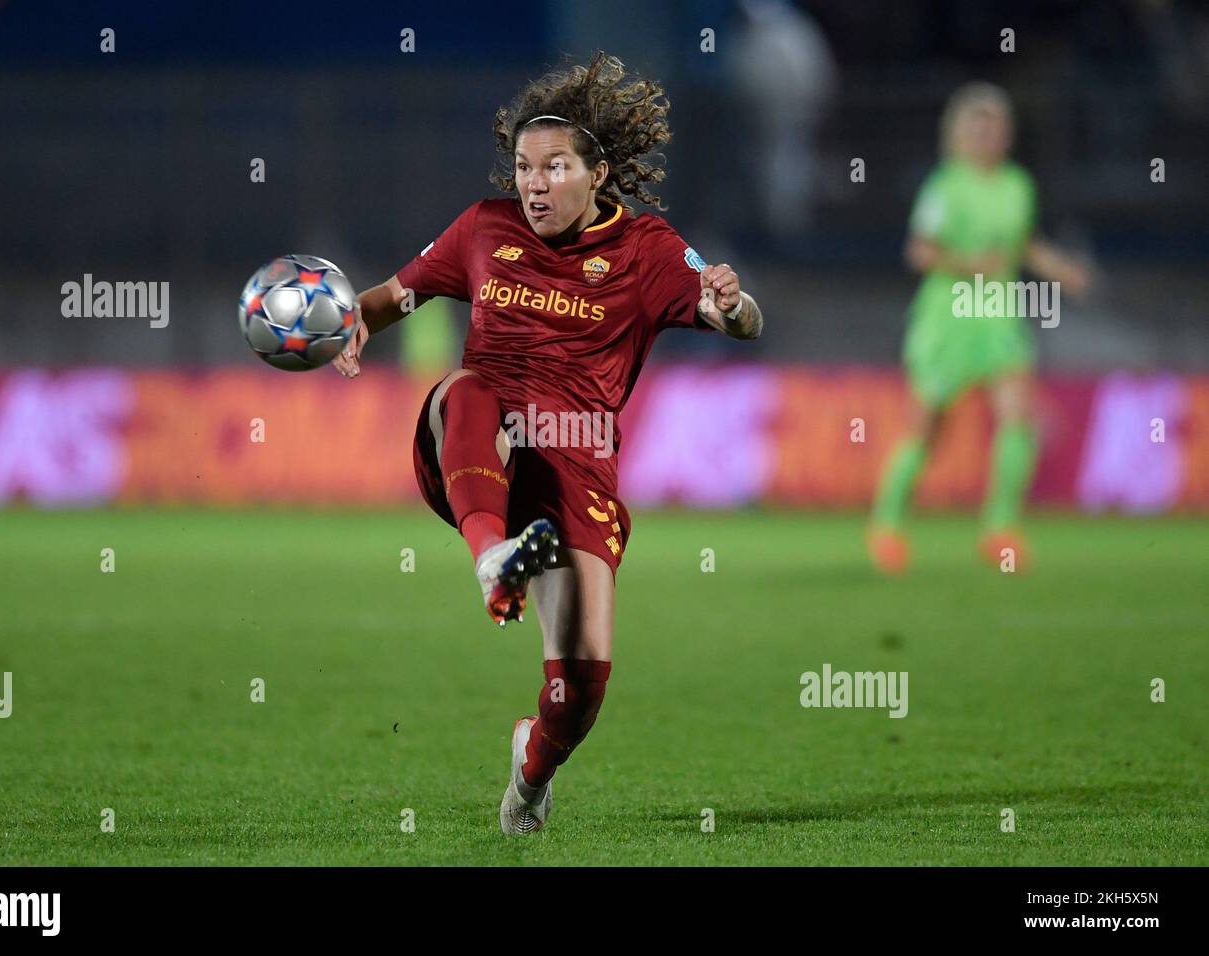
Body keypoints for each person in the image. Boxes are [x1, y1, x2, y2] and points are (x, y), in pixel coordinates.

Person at [332, 52, 763, 832]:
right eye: (524, 167)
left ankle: (531, 770)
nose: (532, 184)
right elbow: (397, 297)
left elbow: (743, 319)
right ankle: (492, 558)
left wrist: (731, 306)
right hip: (476, 448)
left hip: (573, 471)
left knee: (582, 684)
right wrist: (349, 322)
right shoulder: (483, 229)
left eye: (554, 167)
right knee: (468, 389)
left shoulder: (647, 251)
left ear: (596, 173)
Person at [868, 82, 1091, 574]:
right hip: (947, 316)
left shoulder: (1018, 185)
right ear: (959, 134)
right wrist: (969, 263)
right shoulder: (944, 187)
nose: (987, 136)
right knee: (926, 429)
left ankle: (1000, 529)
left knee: (1018, 414)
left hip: (997, 313)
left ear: (1007, 135)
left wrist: (1063, 270)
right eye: (977, 126)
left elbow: (1025, 244)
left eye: (995, 127)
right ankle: (887, 524)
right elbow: (920, 251)